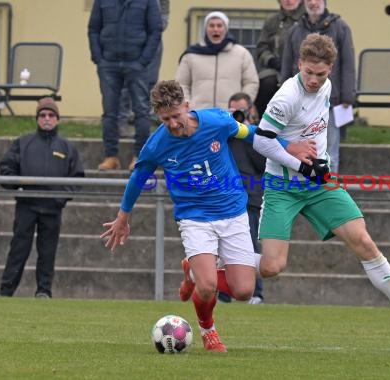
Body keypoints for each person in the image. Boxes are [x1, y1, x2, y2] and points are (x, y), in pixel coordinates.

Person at [185, 34, 390, 335]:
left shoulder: (327, 87)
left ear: (330, 69)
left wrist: (313, 166)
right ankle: (206, 266)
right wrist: (299, 162)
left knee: (363, 241)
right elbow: (261, 142)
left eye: (320, 74)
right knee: (271, 267)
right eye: (308, 72)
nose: (314, 80)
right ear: (299, 65)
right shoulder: (286, 98)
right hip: (283, 186)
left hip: (320, 183)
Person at [100, 80, 312, 352]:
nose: (174, 124)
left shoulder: (217, 121)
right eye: (166, 120)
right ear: (158, 117)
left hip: (233, 211)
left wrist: (287, 145)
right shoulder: (157, 145)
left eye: (176, 116)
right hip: (194, 217)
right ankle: (208, 330)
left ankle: (193, 272)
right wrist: (123, 216)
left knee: (244, 291)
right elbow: (138, 177)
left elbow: (250, 134)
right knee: (208, 285)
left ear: (186, 107)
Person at [0, 97, 85, 298]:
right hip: (26, 206)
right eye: (43, 115)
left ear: (57, 119)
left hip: (52, 209)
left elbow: (77, 177)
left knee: (47, 252)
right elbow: (6, 169)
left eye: (51, 115)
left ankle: (43, 291)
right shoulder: (23, 143)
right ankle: (6, 291)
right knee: (18, 250)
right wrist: (17, 185)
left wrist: (60, 198)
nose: (47, 119)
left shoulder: (67, 147)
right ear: (37, 119)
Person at [281, 0, 356, 174]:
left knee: (330, 153)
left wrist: (347, 96)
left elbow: (348, 64)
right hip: (298, 102)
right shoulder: (294, 30)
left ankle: (329, 193)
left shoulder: (341, 27)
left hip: (332, 101)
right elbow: (286, 62)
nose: (313, 3)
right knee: (299, 151)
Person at [88, 0, 162, 171]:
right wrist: (98, 58)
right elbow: (93, 28)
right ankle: (110, 156)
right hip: (108, 63)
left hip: (137, 62)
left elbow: (155, 31)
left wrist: (144, 60)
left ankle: (139, 156)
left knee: (141, 111)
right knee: (109, 113)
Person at [218, 92, 266, 305]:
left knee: (251, 245)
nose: (236, 114)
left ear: (251, 111)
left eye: (241, 110)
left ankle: (255, 294)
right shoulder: (221, 135)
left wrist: (246, 130)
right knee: (223, 247)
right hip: (224, 198)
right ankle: (224, 293)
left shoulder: (257, 136)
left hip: (249, 199)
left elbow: (263, 165)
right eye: (233, 110)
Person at [175, 11, 259, 110]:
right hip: (200, 115)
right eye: (211, 25)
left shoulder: (242, 54)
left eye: (219, 25)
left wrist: (241, 106)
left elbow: (251, 82)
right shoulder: (191, 55)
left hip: (230, 115)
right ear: (206, 28)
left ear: (226, 29)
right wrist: (188, 105)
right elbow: (181, 84)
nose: (215, 29)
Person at [118, 0, 170, 139]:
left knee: (150, 80)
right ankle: (122, 121)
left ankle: (145, 120)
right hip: (130, 38)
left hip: (154, 38)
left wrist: (162, 22)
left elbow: (165, 5)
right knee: (126, 81)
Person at [254, 0, 306, 117]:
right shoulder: (272, 21)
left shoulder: (307, 19)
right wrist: (271, 60)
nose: (288, 1)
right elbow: (261, 47)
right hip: (276, 68)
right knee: (266, 83)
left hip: (301, 68)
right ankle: (263, 121)